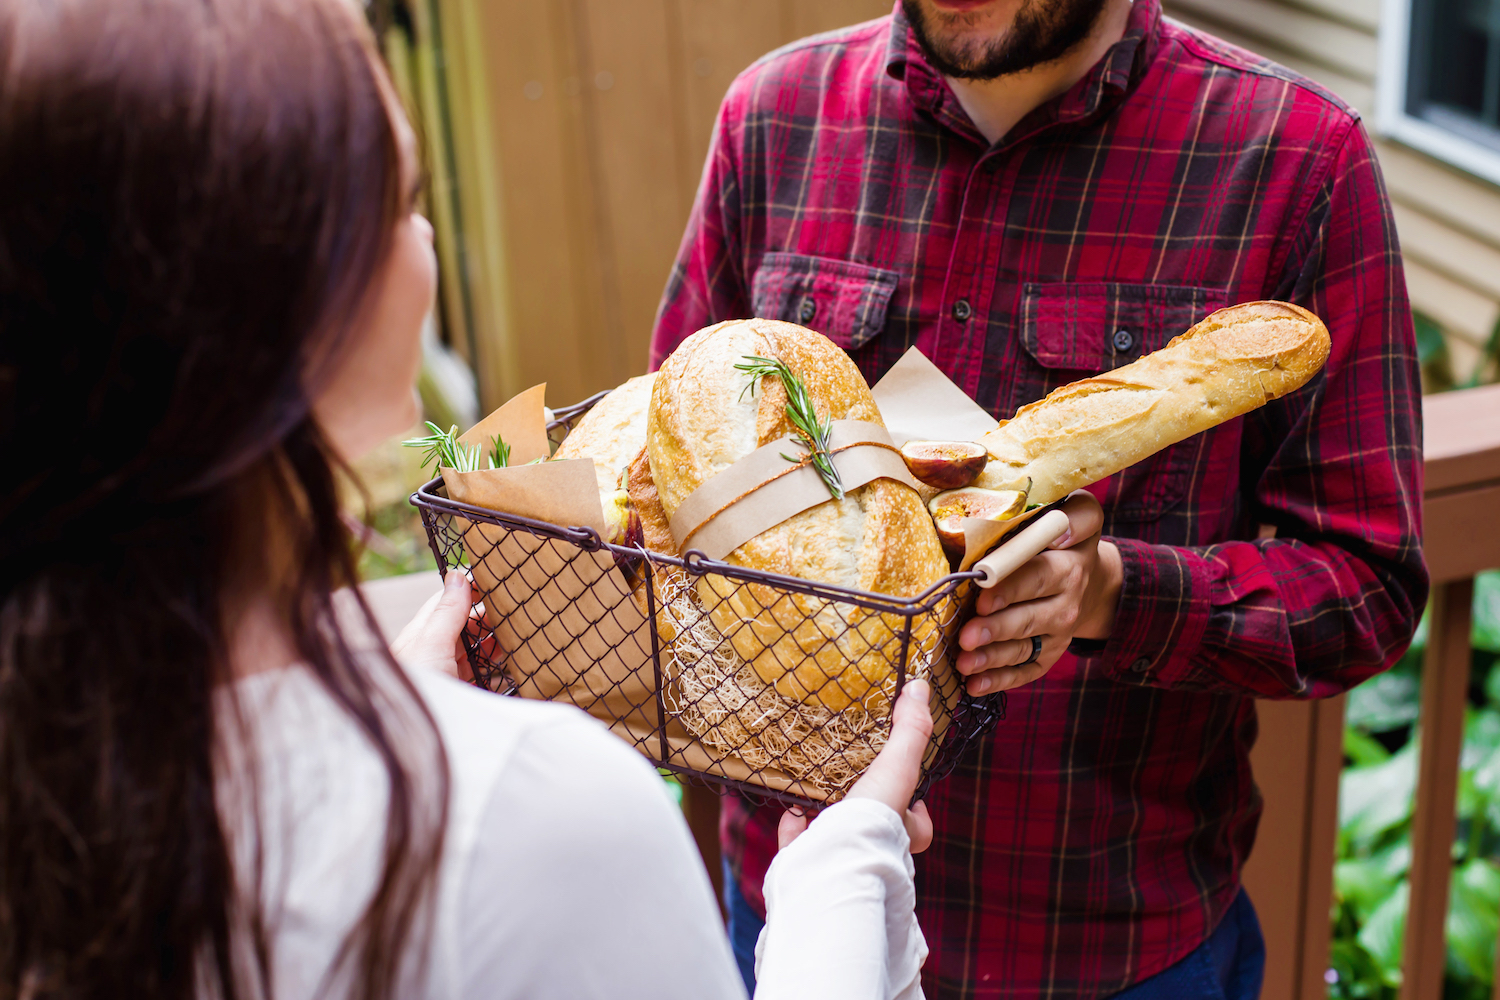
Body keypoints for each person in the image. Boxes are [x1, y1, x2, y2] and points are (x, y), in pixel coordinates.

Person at [0, 1, 936, 997]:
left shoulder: (56, 771)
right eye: (401, 198)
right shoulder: (539, 816)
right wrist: (841, 884)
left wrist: (401, 711)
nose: (428, 237)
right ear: (293, 308)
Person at [650, 0, 1429, 996]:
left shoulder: (1297, 162)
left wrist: (1110, 593)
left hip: (1109, 950)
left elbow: (1365, 588)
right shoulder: (774, 117)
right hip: (796, 912)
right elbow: (664, 480)